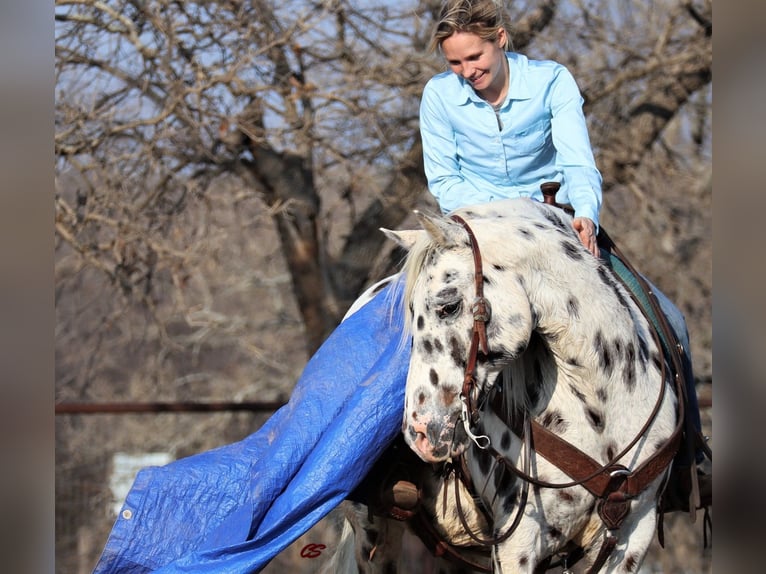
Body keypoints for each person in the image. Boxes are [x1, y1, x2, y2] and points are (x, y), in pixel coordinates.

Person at [420, 0, 709, 499]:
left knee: (670, 319)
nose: (467, 72)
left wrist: (586, 215)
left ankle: (691, 462)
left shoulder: (552, 82)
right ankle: (395, 465)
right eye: (455, 63)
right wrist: (513, 216)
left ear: (501, 39)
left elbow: (579, 162)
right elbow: (445, 180)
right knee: (415, 324)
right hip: (478, 236)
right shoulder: (438, 97)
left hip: (559, 229)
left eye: (475, 58)